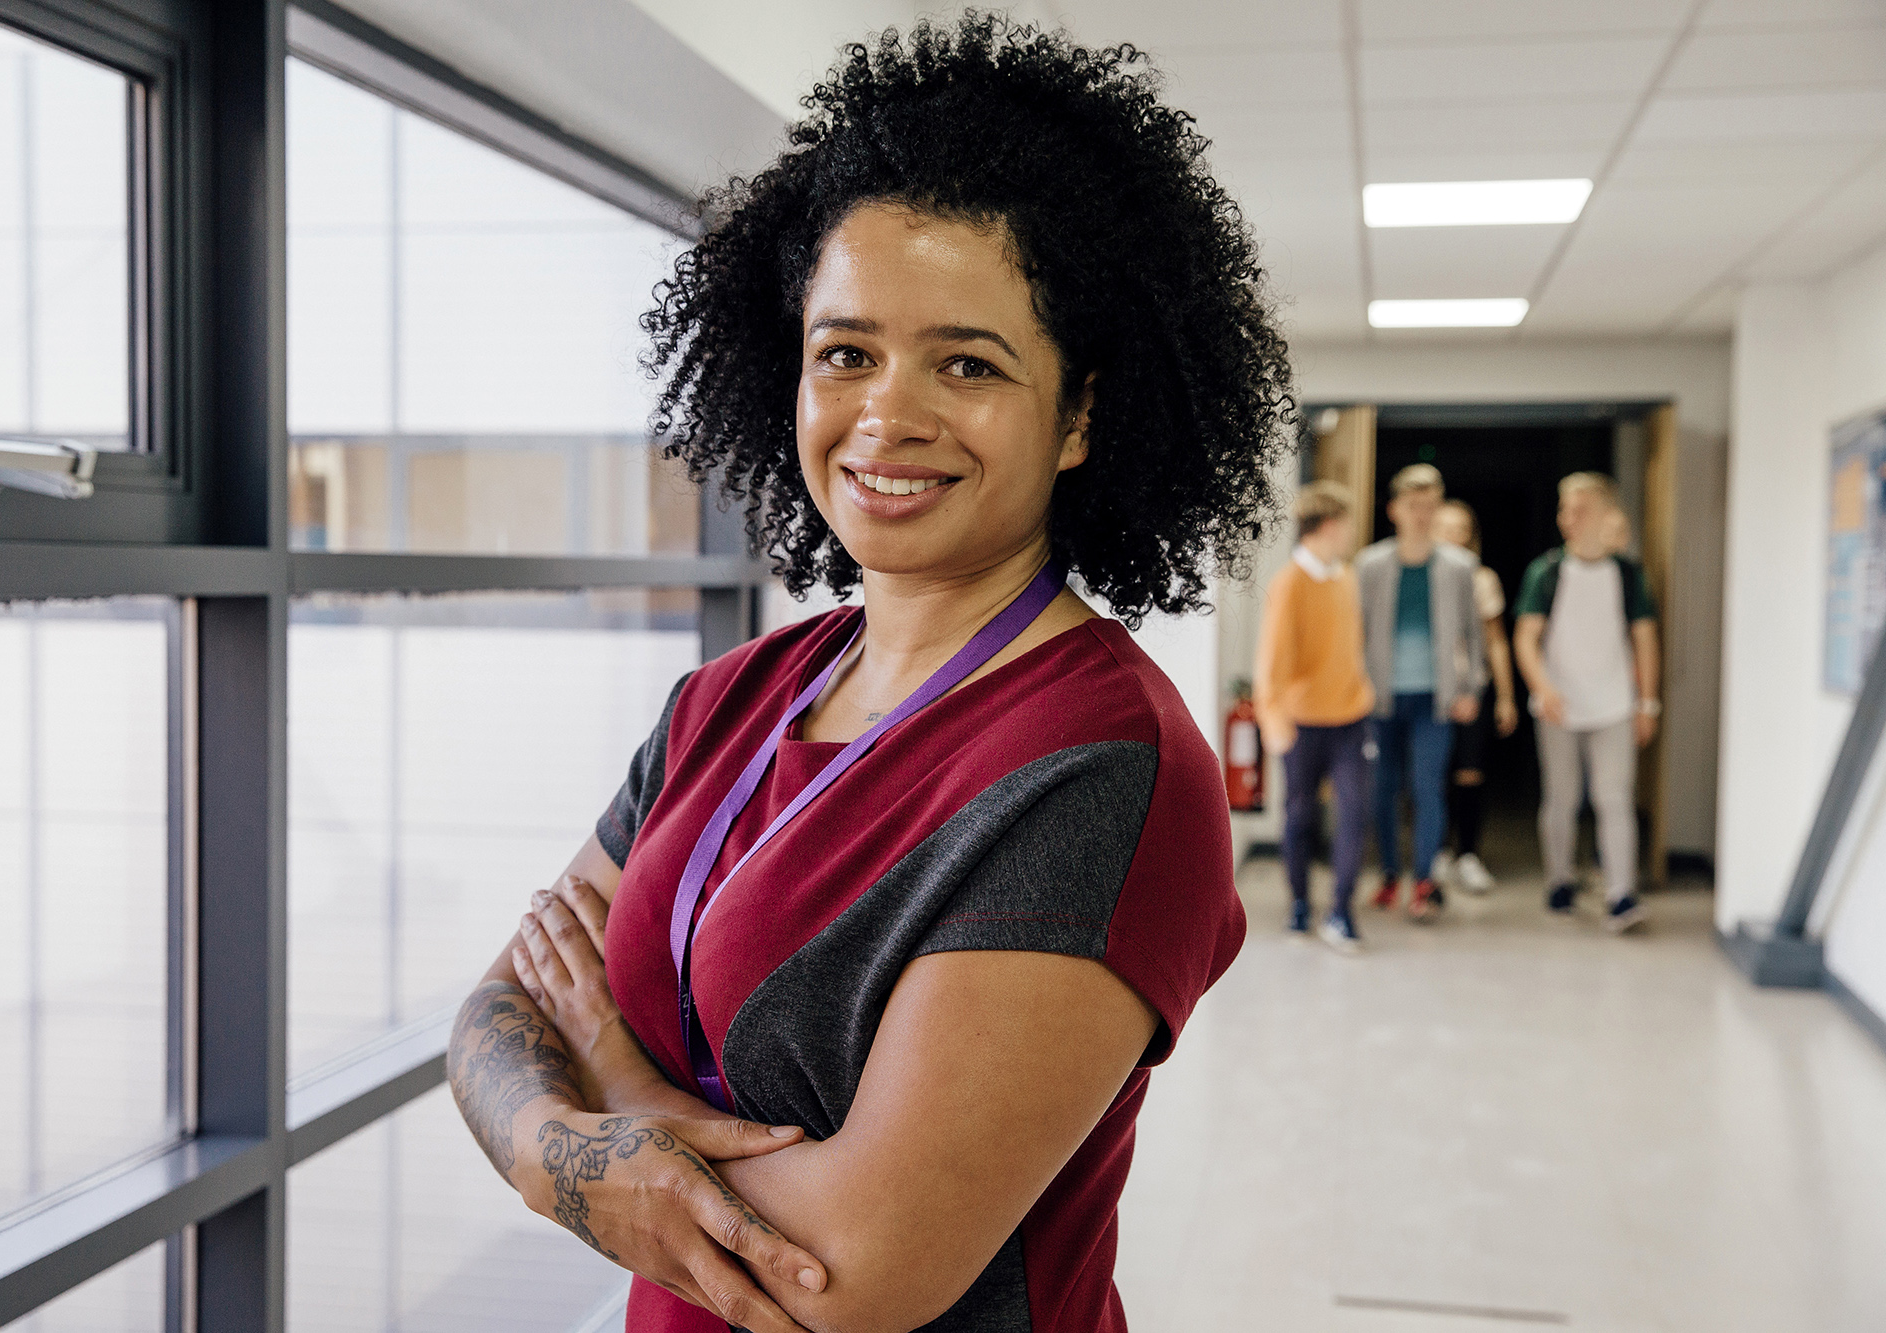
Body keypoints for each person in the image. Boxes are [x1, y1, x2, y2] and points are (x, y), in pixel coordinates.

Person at [443, 18, 1294, 1332]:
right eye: (847, 351)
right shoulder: (731, 697)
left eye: (967, 361)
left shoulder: (1103, 768)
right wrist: (573, 1148)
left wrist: (605, 1081)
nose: (888, 414)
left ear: (1077, 415)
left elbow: (850, 1274)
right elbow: (500, 1006)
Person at [1514, 472, 1661, 932]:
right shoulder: (1547, 571)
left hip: (1614, 704)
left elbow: (1644, 638)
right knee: (1561, 798)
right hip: (1559, 704)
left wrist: (1648, 703)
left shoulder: (1627, 573)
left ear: (1605, 515)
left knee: (1613, 798)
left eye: (1580, 509)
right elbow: (1526, 637)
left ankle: (1621, 894)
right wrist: (1543, 687)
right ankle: (1560, 880)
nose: (1569, 518)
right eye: (1564, 509)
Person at [1356, 464, 1486, 920]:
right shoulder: (1370, 565)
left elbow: (1474, 632)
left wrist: (1472, 687)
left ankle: (1425, 881)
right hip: (1382, 696)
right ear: (1394, 510)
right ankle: (1391, 875)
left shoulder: (1459, 566)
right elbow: (1356, 631)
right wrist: (1355, 688)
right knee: (1383, 790)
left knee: (1428, 788)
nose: (1422, 514)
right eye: (1414, 506)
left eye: (1430, 506)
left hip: (1437, 696)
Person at [1255, 481, 1374, 954]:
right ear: (1327, 526)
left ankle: (1341, 912)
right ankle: (1300, 904)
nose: (1351, 534)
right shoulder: (1290, 585)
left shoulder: (1346, 576)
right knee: (1301, 816)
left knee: (1353, 813)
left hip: (1351, 719)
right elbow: (1272, 662)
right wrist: (1274, 722)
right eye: (1346, 524)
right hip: (1301, 724)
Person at [1433, 499, 1518, 893]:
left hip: (1471, 689)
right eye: (1444, 526)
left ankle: (1467, 854)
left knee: (1468, 773)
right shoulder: (1420, 574)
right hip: (1429, 690)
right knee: (1431, 775)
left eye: (1461, 528)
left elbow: (1496, 642)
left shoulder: (1482, 579)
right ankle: (1434, 855)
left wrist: (1505, 696)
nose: (1453, 535)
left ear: (1472, 537)